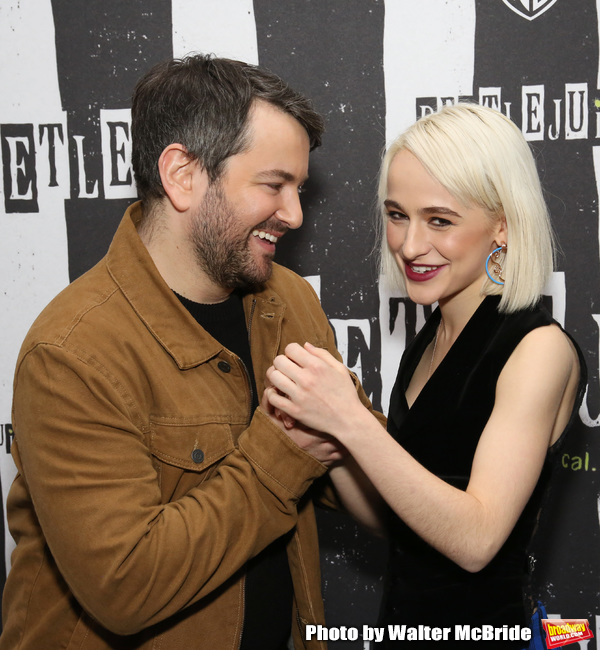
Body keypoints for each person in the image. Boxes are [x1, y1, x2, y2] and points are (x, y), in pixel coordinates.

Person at [1, 54, 384, 650]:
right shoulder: (73, 351)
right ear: (182, 174)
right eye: (273, 184)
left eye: (299, 188)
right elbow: (126, 585)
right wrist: (282, 452)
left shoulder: (288, 303)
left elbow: (359, 480)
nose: (294, 214)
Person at [265, 103, 586, 647]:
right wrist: (332, 441)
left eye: (439, 220)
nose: (410, 246)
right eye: (396, 215)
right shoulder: (432, 337)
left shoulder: (538, 349)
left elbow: (476, 539)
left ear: (502, 225)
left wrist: (352, 420)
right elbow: (398, 522)